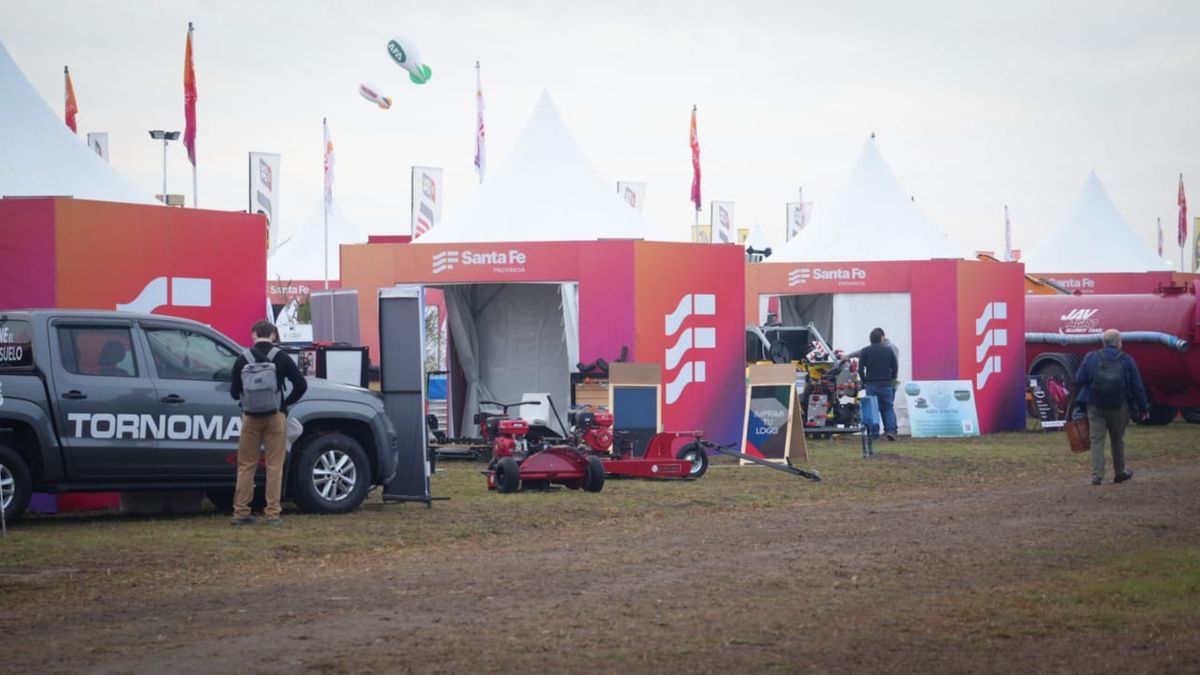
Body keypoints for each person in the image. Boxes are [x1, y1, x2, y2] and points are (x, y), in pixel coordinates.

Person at [229, 320, 307, 525]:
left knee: (246, 465)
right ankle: (272, 514)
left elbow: (232, 392)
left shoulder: (242, 358)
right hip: (275, 417)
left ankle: (241, 512)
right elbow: (301, 385)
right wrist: (284, 403)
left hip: (250, 418)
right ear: (273, 335)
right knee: (274, 465)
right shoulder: (281, 357)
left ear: (253, 334)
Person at [1074, 329, 1149, 486]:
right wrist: (1143, 408)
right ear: (1118, 343)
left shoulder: (1091, 357)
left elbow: (1078, 379)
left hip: (1094, 405)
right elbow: (1137, 386)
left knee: (1096, 440)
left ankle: (1097, 475)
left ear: (1103, 342)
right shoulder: (1126, 359)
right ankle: (1119, 472)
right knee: (1117, 440)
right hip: (1118, 406)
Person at [858, 327, 899, 441]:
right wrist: (892, 379)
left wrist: (864, 381)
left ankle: (874, 433)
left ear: (870, 339)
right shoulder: (889, 350)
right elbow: (895, 367)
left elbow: (860, 369)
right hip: (886, 384)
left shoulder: (865, 351)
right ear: (881, 338)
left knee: (873, 409)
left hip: (871, 384)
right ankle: (890, 431)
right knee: (888, 408)